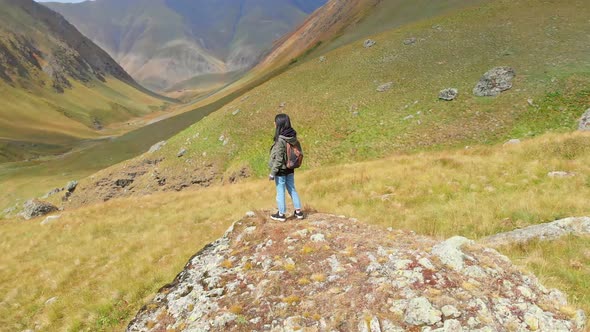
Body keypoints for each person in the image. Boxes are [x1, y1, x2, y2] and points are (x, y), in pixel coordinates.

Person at [269, 113, 304, 221]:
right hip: (290, 167)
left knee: (280, 191)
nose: (274, 123)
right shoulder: (292, 136)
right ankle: (298, 212)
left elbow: (279, 159)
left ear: (279, 124)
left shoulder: (281, 139)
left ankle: (281, 214)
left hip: (281, 170)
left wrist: (272, 173)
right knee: (292, 189)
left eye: (275, 121)